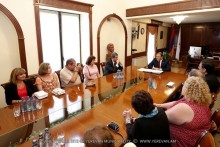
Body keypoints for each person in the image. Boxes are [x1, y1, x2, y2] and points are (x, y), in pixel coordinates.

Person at [155, 77, 211, 147]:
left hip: (177, 142)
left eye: (184, 84)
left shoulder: (184, 109)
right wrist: (160, 105)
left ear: (188, 89)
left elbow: (160, 117)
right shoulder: (200, 102)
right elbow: (177, 102)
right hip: (194, 137)